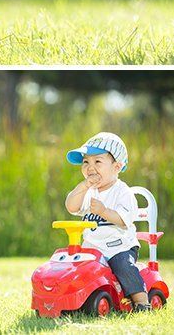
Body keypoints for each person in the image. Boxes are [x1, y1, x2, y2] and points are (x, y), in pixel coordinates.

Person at [64, 131, 150, 312]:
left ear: (117, 167)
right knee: (75, 270)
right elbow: (71, 206)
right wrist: (84, 186)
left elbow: (123, 220)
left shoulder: (122, 192)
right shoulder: (89, 191)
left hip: (118, 248)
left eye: (98, 161)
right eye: (86, 162)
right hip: (92, 250)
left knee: (124, 267)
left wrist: (104, 211)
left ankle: (142, 301)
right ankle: (76, 300)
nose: (90, 167)